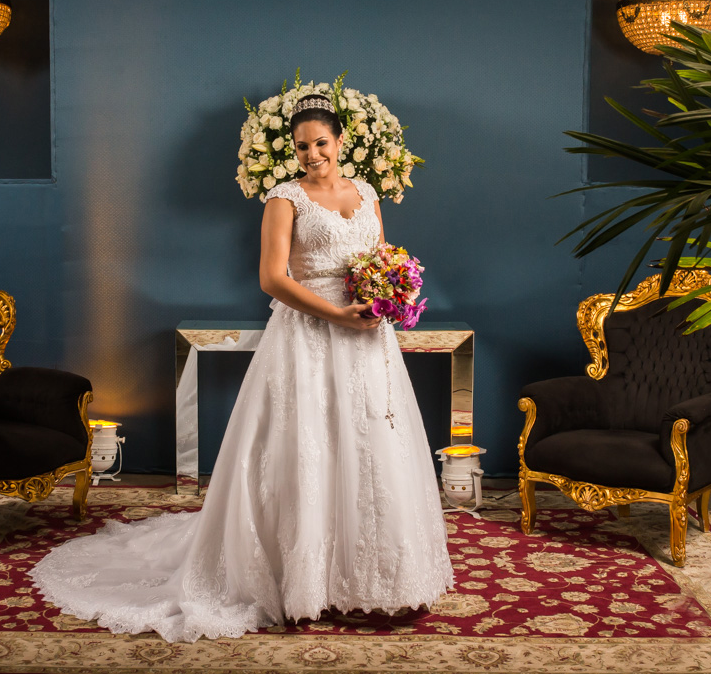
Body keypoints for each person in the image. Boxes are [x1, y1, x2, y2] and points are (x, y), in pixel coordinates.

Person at [31, 93, 453, 643]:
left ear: (341, 141)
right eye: (301, 147)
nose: (311, 155)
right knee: (309, 446)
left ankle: (376, 579)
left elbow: (379, 251)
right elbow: (273, 280)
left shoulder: (367, 192)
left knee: (372, 446)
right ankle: (299, 584)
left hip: (368, 335)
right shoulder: (284, 198)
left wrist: (389, 291)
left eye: (320, 143)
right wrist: (338, 316)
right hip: (310, 332)